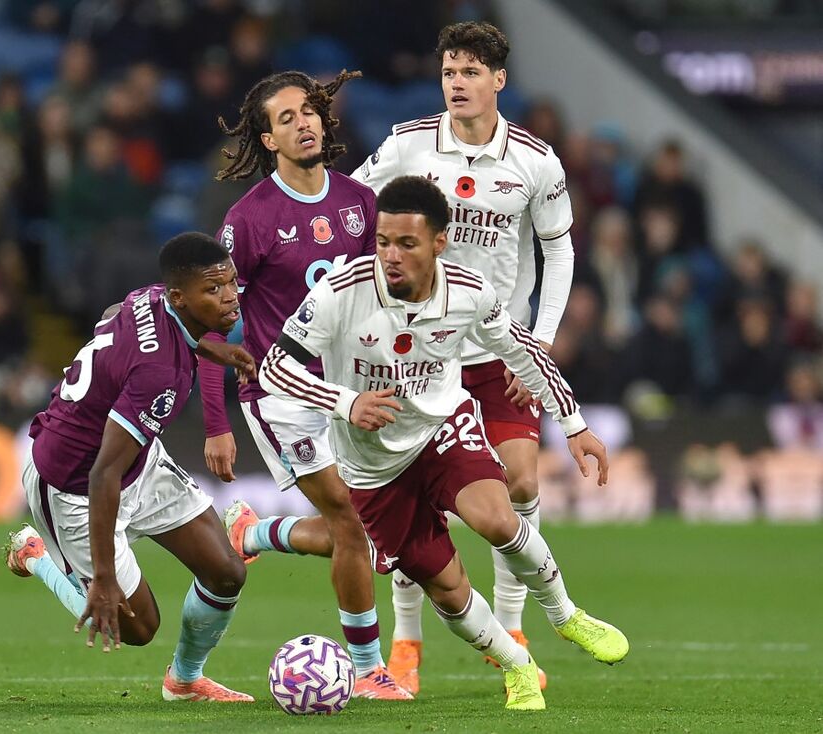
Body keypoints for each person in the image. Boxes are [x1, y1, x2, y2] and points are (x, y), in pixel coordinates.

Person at [258, 176, 628, 711]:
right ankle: (518, 665)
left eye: (406, 243)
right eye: (383, 242)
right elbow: (274, 367)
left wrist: (573, 424)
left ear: (439, 242)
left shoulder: (469, 292)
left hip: (441, 430)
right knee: (449, 591)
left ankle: (565, 614)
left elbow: (523, 352)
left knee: (498, 519)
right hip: (372, 468)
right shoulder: (340, 292)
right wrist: (345, 402)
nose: (391, 255)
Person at [350, 21, 578, 692]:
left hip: (500, 349)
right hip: (418, 351)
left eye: (471, 72)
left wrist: (540, 341)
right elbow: (356, 209)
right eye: (450, 71)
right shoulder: (408, 144)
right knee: (415, 494)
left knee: (522, 485)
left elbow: (559, 249)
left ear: (498, 80)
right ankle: (407, 642)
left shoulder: (536, 161)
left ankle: (511, 625)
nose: (457, 83)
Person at [199, 69, 412, 700]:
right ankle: (368, 668)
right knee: (349, 520)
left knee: (364, 529)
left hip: (352, 388)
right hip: (280, 394)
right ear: (268, 139)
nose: (304, 124)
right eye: (286, 118)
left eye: (309, 111)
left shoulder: (360, 201)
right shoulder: (249, 219)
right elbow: (211, 325)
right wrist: (216, 423)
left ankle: (255, 533)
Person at [5, 232, 258, 703]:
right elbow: (102, 474)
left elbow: (110, 316)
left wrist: (207, 347)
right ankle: (36, 556)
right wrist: (102, 579)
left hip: (134, 463)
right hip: (73, 485)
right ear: (180, 297)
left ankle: (185, 681)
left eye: (230, 282)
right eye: (214, 289)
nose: (230, 296)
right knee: (137, 628)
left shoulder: (152, 296)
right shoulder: (160, 373)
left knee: (227, 572)